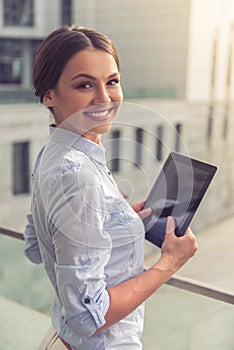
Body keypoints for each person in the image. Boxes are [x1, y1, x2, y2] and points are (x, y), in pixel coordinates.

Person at [24, 26, 198, 350]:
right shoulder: (78, 175)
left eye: (112, 81)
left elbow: (36, 245)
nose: (104, 98)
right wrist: (169, 264)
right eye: (84, 84)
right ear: (49, 95)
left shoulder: (53, 153)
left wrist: (116, 219)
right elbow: (89, 319)